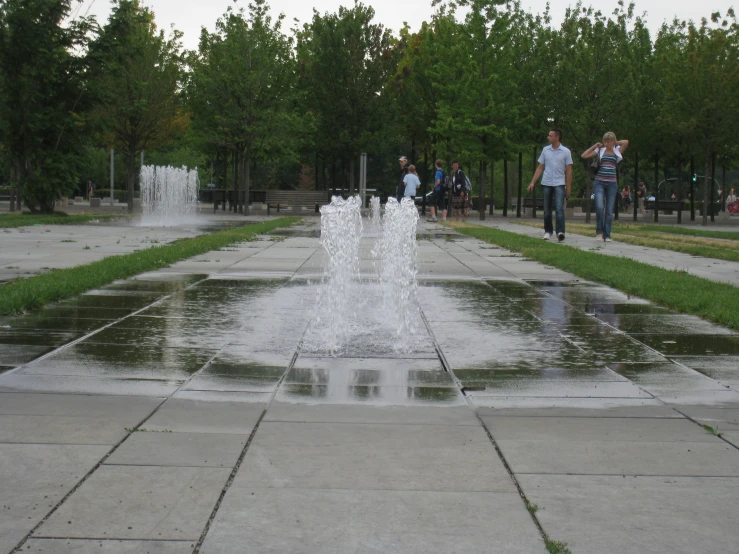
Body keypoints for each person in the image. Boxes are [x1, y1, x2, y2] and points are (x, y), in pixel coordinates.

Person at [581, 132, 629, 242]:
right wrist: (595, 146)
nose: (607, 143)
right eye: (605, 141)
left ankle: (607, 235)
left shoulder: (617, 150)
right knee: (599, 207)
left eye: (609, 141)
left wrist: (614, 142)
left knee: (609, 210)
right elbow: (584, 155)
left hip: (612, 183)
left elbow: (626, 142)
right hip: (599, 183)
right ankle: (599, 232)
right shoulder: (600, 151)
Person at [528, 129, 572, 242]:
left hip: (559, 183)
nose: (548, 137)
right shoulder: (545, 150)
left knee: (559, 208)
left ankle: (560, 231)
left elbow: (569, 170)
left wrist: (568, 186)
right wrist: (533, 182)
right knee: (547, 210)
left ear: (557, 137)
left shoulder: (566, 151)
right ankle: (548, 231)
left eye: (550, 135)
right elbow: (540, 167)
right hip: (546, 182)